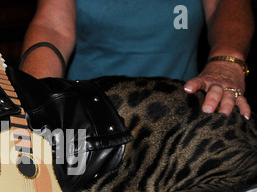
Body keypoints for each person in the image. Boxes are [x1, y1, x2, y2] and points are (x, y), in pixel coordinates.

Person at [20, 0, 254, 120]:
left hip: (180, 114)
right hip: (86, 116)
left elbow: (227, 4)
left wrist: (227, 62)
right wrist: (34, 97)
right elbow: (52, 26)